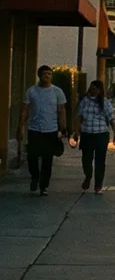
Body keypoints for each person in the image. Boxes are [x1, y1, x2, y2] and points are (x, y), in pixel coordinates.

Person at [20, 65, 67, 197]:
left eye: (49, 74)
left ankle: (43, 186)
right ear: (39, 75)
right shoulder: (31, 91)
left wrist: (63, 127)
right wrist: (21, 127)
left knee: (48, 160)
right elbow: (24, 109)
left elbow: (62, 110)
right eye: (44, 74)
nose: (47, 76)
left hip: (50, 130)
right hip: (34, 129)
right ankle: (35, 177)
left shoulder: (57, 92)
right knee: (32, 157)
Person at [74, 79, 115, 195]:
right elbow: (79, 116)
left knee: (100, 161)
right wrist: (76, 131)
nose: (93, 90)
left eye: (96, 89)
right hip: (87, 134)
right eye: (92, 88)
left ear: (100, 90)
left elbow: (112, 119)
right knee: (86, 159)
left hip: (101, 135)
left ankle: (98, 185)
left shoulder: (105, 102)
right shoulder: (84, 101)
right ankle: (88, 176)